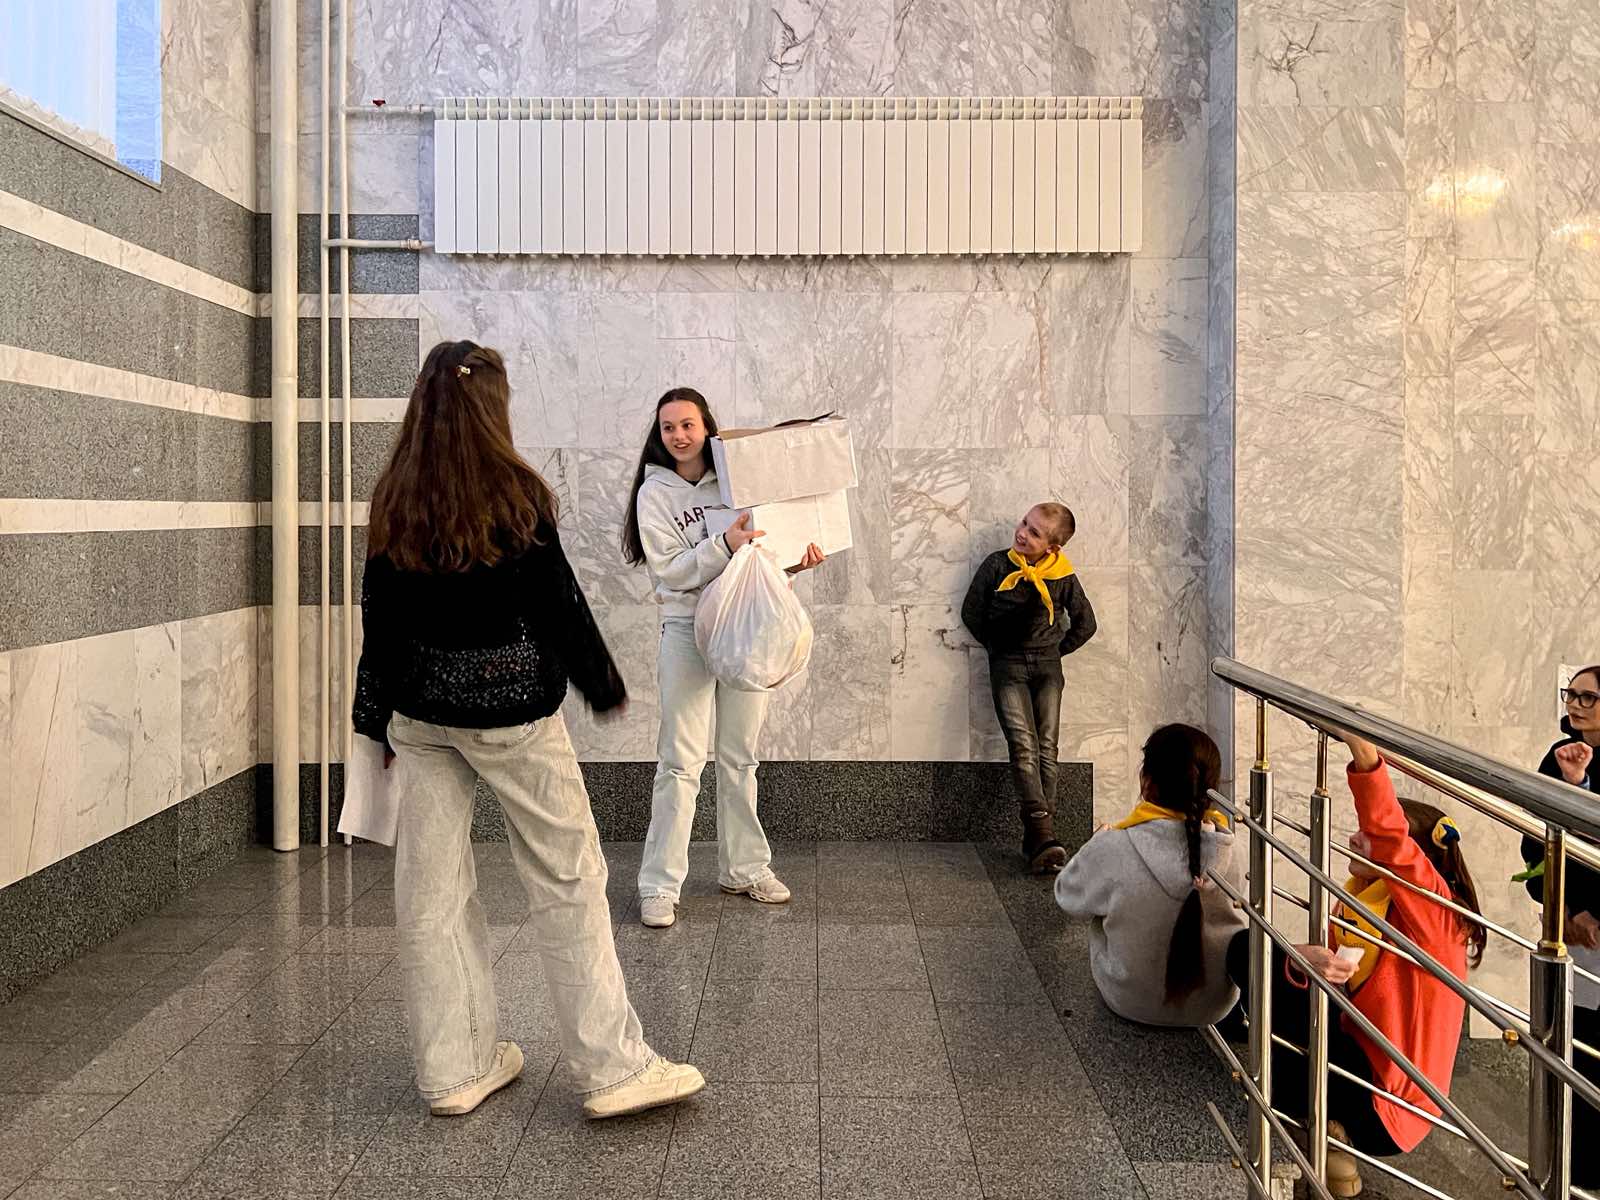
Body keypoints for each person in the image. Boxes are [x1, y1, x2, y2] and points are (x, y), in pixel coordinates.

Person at [353, 340, 704, 1120]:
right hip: (512, 716)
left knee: (432, 894)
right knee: (568, 879)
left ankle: (454, 1071)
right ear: (494, 405)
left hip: (421, 718)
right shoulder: (515, 491)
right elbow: (556, 605)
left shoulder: (395, 494)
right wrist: (603, 685)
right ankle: (612, 1070)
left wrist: (371, 719)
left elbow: (380, 618)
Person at [1227, 731, 1484, 1197]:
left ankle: (1329, 1139)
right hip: (1355, 1062)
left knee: (1258, 959)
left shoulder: (1438, 921)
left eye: (1367, 835)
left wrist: (1366, 760)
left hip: (1386, 1106)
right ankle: (1321, 1134)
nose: (1353, 838)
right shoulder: (1362, 904)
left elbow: (1392, 841)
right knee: (1250, 950)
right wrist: (1301, 962)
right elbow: (1331, 991)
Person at [621, 387, 826, 929]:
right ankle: (659, 885)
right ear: (659, 435)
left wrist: (794, 561)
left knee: (740, 756)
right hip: (686, 631)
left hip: (744, 628)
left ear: (707, 427)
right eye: (668, 427)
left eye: (688, 424)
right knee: (680, 761)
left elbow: (759, 556)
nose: (679, 435)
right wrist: (725, 546)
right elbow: (671, 571)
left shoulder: (738, 481)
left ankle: (745, 868)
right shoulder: (654, 493)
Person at [1055, 724, 1247, 1027]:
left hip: (1130, 1001)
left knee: (1103, 911)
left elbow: (1067, 895)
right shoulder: (1233, 850)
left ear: (1147, 783)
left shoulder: (1115, 845)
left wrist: (1095, 843)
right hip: (1214, 1007)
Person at [960, 502, 1097, 872]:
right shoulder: (997, 566)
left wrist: (1055, 651)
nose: (1022, 533)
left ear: (1052, 547)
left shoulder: (1062, 576)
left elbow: (1086, 624)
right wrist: (997, 649)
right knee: (1023, 745)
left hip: (1047, 669)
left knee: (1047, 748)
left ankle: (1039, 839)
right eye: (1024, 523)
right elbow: (971, 612)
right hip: (1008, 668)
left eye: (1034, 532)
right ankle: (1042, 835)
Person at [1518, 663, 1600, 1189]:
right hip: (1574, 934)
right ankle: (1573, 1170)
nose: (1574, 704)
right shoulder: (1560, 755)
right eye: (1571, 695)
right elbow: (1535, 843)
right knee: (1575, 1048)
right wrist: (1564, 913)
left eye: (1588, 697)